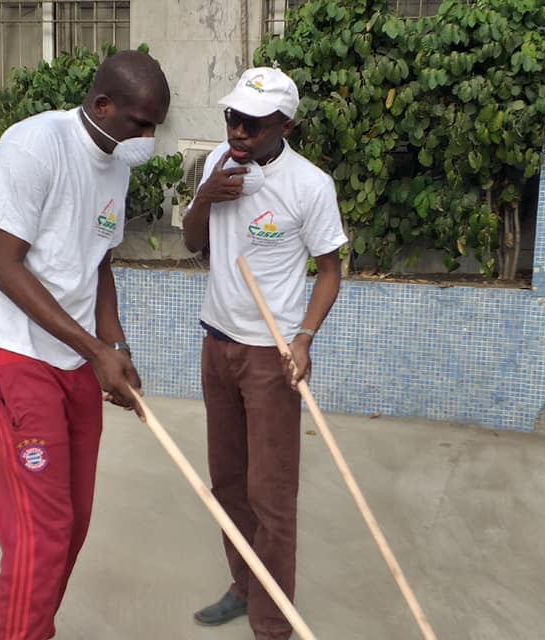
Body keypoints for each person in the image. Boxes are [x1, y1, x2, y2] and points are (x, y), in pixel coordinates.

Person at [0, 50, 169, 640]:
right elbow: (2, 265)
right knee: (39, 529)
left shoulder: (117, 165)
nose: (148, 138)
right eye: (141, 123)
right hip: (12, 353)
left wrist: (115, 344)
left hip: (72, 356)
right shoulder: (34, 145)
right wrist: (96, 351)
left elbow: (99, 263)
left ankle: (32, 628)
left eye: (155, 126)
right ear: (102, 106)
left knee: (71, 524)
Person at [182, 67, 348, 640]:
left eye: (251, 123)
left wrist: (304, 337)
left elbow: (330, 271)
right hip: (218, 344)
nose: (237, 130)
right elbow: (192, 240)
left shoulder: (310, 185)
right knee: (227, 482)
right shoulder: (216, 165)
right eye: (231, 117)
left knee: (270, 493)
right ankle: (244, 585)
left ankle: (273, 623)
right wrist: (205, 196)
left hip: (271, 357)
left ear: (284, 123)